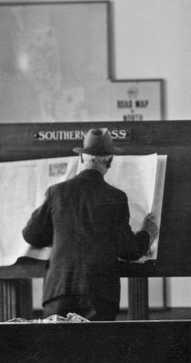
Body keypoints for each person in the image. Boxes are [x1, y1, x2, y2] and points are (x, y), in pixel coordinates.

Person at [22, 126, 158, 321]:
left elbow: (31, 235)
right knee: (96, 350)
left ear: (82, 158)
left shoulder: (57, 192)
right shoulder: (116, 197)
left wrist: (57, 234)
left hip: (59, 290)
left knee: (56, 349)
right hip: (99, 293)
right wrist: (147, 232)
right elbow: (129, 250)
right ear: (110, 160)